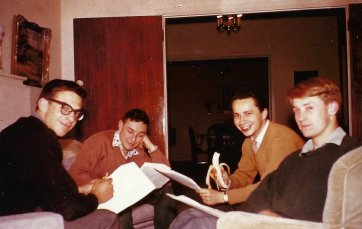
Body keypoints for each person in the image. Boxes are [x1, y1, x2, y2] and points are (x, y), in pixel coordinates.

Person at [170, 77, 361, 228]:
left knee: (197, 224)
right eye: (296, 110)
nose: (301, 118)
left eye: (309, 108)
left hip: (287, 223)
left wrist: (232, 203)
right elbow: (264, 187)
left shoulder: (349, 158)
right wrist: (237, 192)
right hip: (265, 218)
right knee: (188, 215)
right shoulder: (300, 155)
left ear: (332, 108)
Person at [0, 79, 119, 229]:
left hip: (13, 214)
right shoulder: (39, 137)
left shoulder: (25, 129)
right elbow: (69, 209)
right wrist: (97, 196)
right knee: (107, 217)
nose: (71, 118)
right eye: (65, 108)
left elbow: (44, 188)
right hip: (11, 223)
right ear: (43, 104)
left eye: (77, 113)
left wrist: (81, 190)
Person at [69, 108, 177, 229]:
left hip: (131, 194)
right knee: (121, 211)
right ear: (120, 126)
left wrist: (150, 146)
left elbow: (165, 174)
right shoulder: (99, 141)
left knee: (167, 192)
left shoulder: (138, 149)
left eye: (140, 135)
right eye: (130, 131)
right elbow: (76, 172)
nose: (133, 139)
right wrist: (96, 186)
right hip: (106, 196)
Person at [198, 92, 304, 207]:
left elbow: (269, 186)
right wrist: (228, 181)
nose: (242, 121)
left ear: (263, 113)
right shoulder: (249, 141)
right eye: (237, 115)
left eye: (248, 114)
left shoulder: (281, 140)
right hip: (275, 197)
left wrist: (223, 197)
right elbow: (244, 176)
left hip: (297, 204)